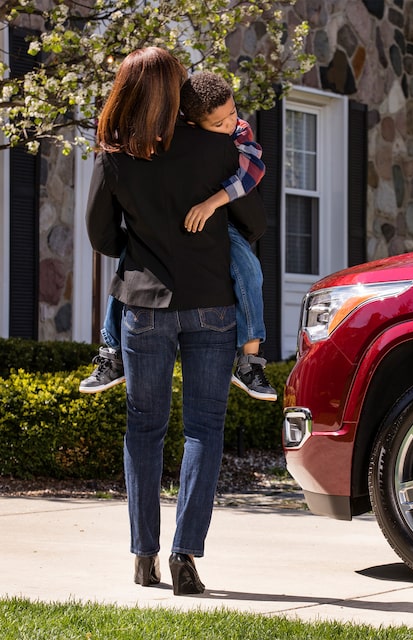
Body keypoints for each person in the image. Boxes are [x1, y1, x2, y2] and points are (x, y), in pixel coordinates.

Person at [85, 46, 266, 595]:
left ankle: (144, 556)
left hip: (144, 307)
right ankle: (186, 557)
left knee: (144, 428)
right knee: (204, 429)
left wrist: (142, 246)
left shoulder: (115, 156)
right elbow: (253, 221)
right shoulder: (217, 147)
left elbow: (101, 235)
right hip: (212, 303)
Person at [81, 73, 277, 402]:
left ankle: (249, 358)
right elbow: (255, 223)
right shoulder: (215, 146)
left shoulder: (234, 134)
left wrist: (211, 205)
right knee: (206, 418)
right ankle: (112, 349)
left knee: (133, 262)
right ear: (191, 121)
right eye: (219, 123)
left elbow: (253, 171)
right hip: (211, 280)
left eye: (232, 113)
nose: (230, 123)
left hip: (155, 279)